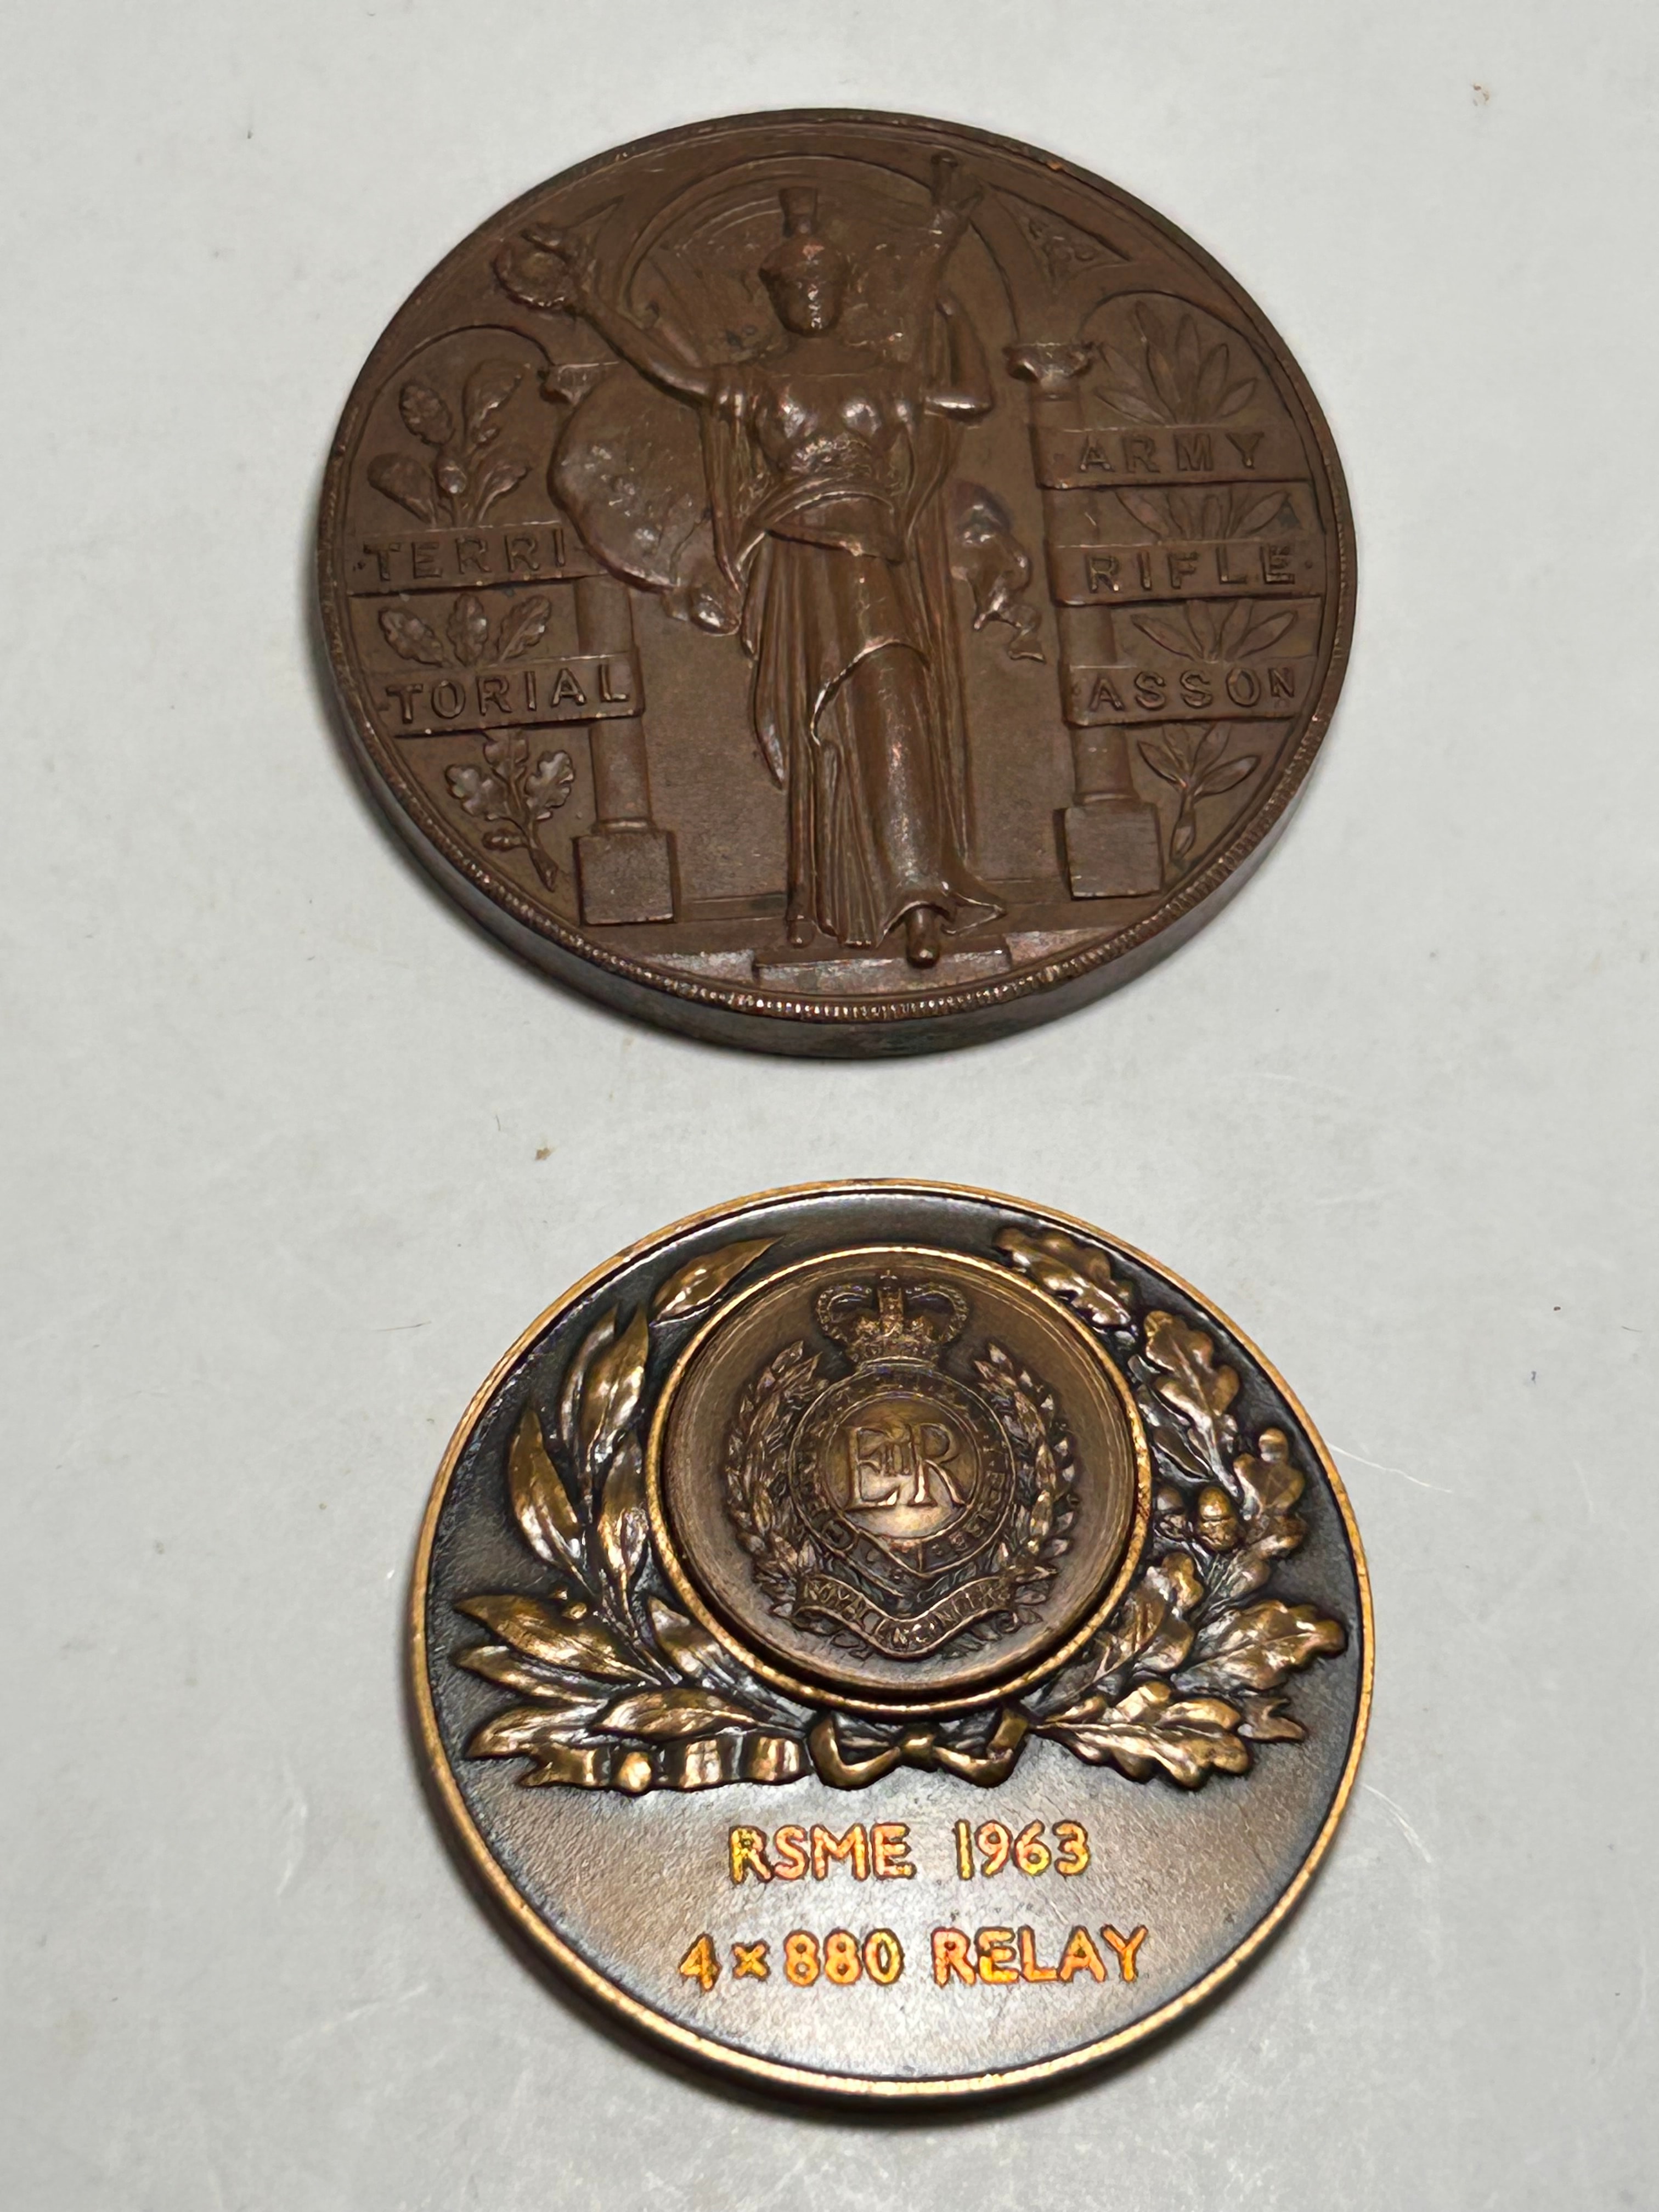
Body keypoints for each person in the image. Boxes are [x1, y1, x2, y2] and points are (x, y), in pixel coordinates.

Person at [543, 174, 1003, 967]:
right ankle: (835, 898)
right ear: (779, 297)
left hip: (872, 556)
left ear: (842, 293)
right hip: (797, 558)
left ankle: (920, 893)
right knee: (818, 722)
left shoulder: (883, 373)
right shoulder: (761, 381)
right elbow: (675, 376)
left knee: (894, 698)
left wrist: (954, 308)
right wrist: (592, 305)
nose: (811, 298)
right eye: (796, 288)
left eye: (823, 285)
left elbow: (971, 401)